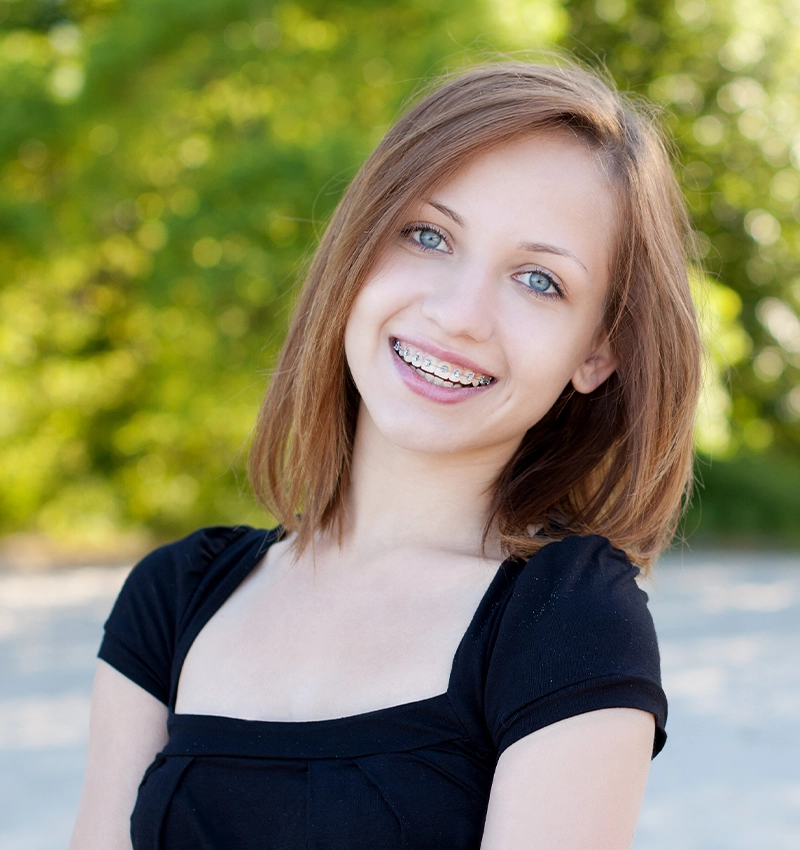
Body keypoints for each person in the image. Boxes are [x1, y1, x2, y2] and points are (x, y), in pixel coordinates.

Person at [69, 59, 701, 850]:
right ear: (360, 248)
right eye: (429, 235)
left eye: (538, 280)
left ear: (598, 353)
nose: (460, 315)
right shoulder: (172, 599)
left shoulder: (566, 621)